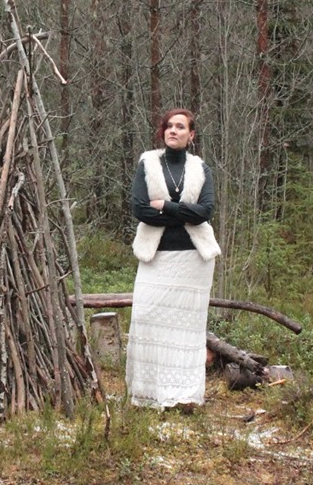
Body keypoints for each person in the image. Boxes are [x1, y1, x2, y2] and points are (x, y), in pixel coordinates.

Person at [125, 108, 221, 410]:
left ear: (191, 135)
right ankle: (148, 395)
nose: (173, 130)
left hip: (194, 260)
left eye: (180, 127)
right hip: (156, 257)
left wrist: (166, 206)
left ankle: (184, 396)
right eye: (169, 126)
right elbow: (140, 209)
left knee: (187, 330)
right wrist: (184, 213)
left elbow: (205, 211)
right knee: (145, 318)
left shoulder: (201, 169)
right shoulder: (148, 163)